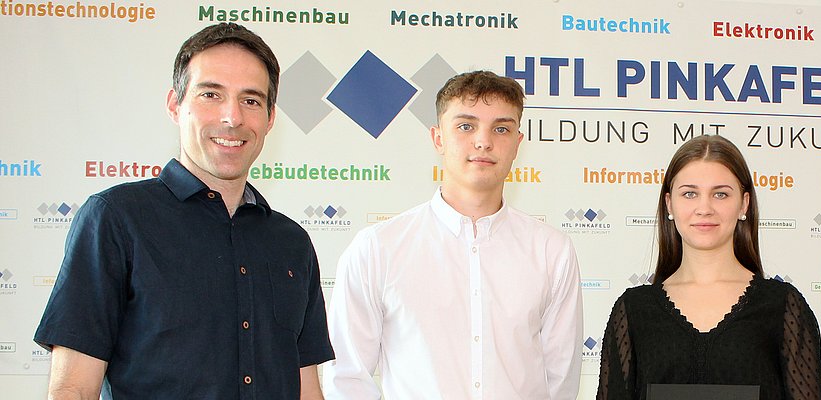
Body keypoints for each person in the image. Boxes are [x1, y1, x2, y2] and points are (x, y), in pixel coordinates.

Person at [34, 22, 333, 399]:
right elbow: (74, 389)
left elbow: (307, 389)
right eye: (211, 94)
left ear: (270, 118)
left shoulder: (292, 243)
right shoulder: (116, 218)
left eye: (251, 100)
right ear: (175, 105)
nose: (232, 117)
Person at [322, 70, 583, 399]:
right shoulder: (377, 248)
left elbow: (560, 381)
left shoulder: (552, 251)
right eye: (466, 126)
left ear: (518, 144)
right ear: (438, 139)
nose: (483, 141)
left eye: (501, 128)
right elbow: (347, 378)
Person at [597, 135, 821, 400]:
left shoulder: (782, 306)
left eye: (720, 194)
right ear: (669, 204)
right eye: (690, 193)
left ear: (744, 203)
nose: (704, 208)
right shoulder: (634, 310)